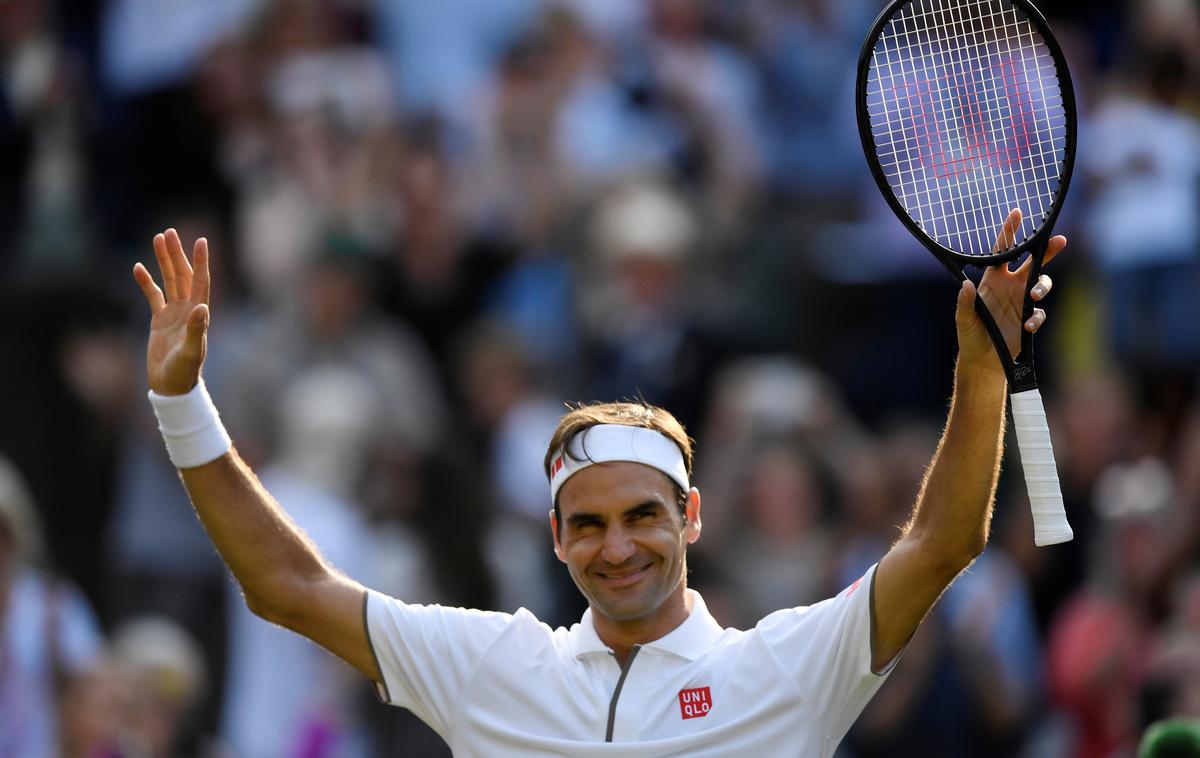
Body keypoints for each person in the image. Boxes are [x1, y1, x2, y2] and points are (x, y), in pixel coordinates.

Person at [130, 211, 1065, 755]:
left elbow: (942, 542)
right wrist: (183, 403)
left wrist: (981, 370)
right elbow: (285, 586)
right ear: (556, 538)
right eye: (587, 525)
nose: (615, 547)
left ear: (692, 518)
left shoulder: (784, 667)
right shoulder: (492, 666)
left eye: (642, 517)